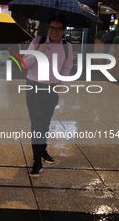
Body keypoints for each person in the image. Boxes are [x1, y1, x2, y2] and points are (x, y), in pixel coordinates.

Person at [23, 14, 73, 177]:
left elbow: (67, 66)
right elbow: (25, 64)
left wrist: (61, 84)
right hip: (33, 88)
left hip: (52, 90)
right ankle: (37, 160)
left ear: (64, 30)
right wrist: (38, 52)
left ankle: (42, 150)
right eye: (52, 27)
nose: (54, 31)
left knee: (45, 123)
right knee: (36, 125)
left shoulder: (67, 47)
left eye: (58, 28)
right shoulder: (37, 41)